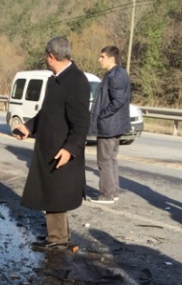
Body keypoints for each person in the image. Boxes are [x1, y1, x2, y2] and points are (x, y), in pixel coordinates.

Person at [12, 36, 90, 250]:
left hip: (61, 149)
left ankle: (57, 240)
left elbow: (82, 123)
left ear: (51, 56)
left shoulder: (76, 80)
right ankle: (59, 237)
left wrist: (69, 149)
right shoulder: (54, 79)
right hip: (49, 147)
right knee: (52, 194)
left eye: (46, 57)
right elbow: (46, 113)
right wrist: (28, 127)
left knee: (56, 195)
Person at [88, 46, 131, 204]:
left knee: (104, 160)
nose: (99, 60)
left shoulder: (114, 76)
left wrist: (102, 115)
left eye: (102, 57)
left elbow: (118, 100)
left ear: (112, 59)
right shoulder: (120, 73)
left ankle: (107, 194)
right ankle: (113, 192)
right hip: (115, 125)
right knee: (112, 159)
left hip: (109, 125)